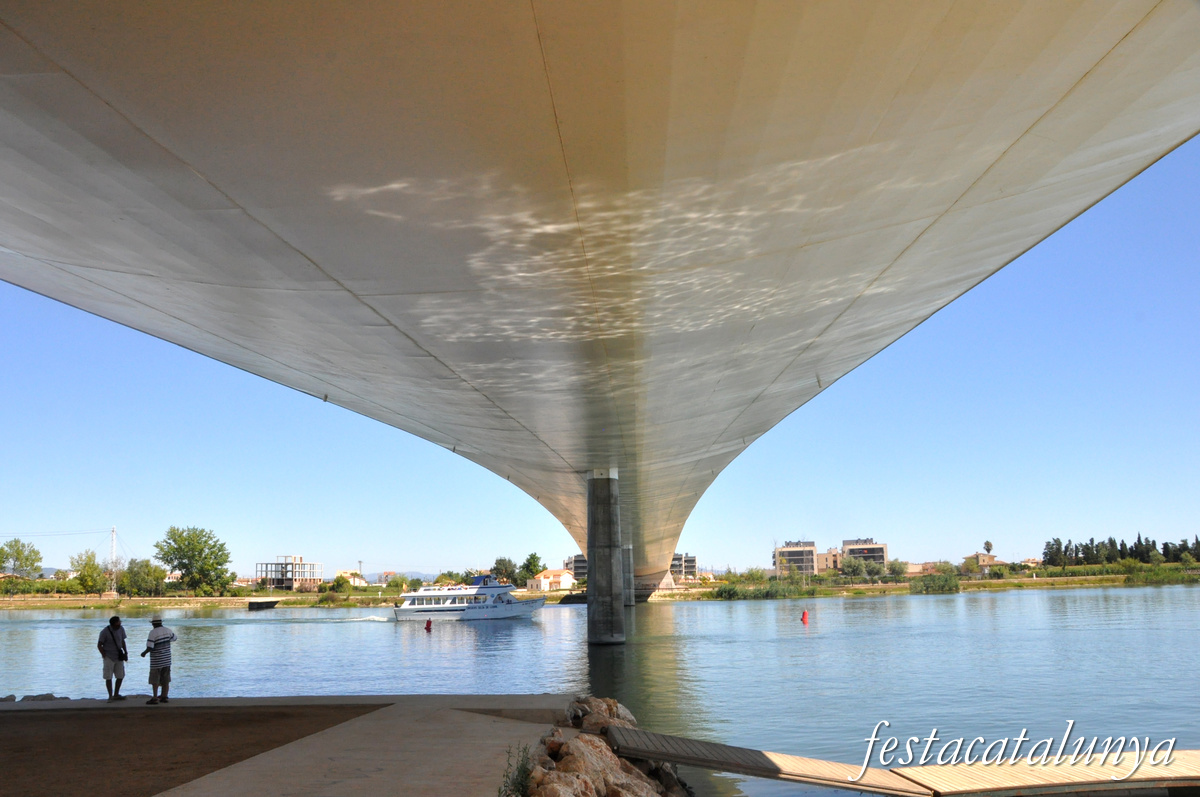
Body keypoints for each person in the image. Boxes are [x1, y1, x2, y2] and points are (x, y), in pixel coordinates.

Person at [140, 615, 177, 705]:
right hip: (167, 659)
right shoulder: (168, 630)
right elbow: (174, 638)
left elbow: (150, 647)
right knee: (166, 679)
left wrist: (144, 653)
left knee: (155, 680)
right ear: (161, 622)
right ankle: (164, 696)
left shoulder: (153, 633)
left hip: (157, 660)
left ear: (153, 623)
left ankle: (155, 697)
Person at [97, 615, 128, 702]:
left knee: (120, 675)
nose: (120, 623)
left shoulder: (121, 629)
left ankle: (116, 694)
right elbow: (99, 644)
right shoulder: (104, 632)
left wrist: (126, 652)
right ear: (114, 623)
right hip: (109, 657)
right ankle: (110, 696)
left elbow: (122, 641)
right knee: (108, 677)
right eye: (119, 621)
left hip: (118, 656)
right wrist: (104, 655)